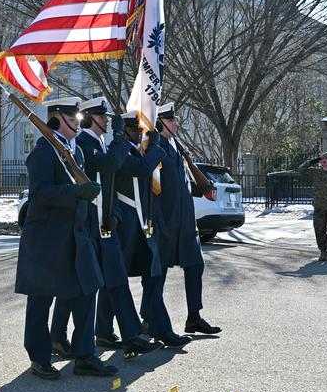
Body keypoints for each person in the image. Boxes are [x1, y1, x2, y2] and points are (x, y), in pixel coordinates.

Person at [15, 97, 118, 379]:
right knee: (41, 299)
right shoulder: (43, 152)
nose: (77, 125)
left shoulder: (75, 151)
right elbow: (40, 194)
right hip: (47, 238)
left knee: (86, 293)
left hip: (77, 236)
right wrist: (75, 193)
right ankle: (39, 356)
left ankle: (85, 355)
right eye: (72, 120)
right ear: (56, 118)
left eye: (78, 120)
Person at [76, 98, 163, 358]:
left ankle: (126, 335)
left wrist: (112, 212)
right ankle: (62, 337)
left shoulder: (102, 143)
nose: (106, 120)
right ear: (90, 118)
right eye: (102, 117)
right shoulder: (84, 144)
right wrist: (121, 138)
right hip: (92, 223)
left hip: (107, 222)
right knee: (79, 291)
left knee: (114, 281)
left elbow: (109, 184)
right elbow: (112, 165)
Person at [113, 111, 192, 347]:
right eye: (136, 130)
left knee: (153, 276)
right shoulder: (120, 151)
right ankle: (104, 331)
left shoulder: (137, 150)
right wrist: (155, 148)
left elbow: (147, 189)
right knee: (113, 284)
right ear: (125, 130)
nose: (141, 135)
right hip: (125, 226)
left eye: (142, 131)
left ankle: (162, 329)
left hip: (143, 225)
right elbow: (141, 169)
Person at [152, 102, 221, 335]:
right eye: (171, 120)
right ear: (160, 122)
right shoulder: (155, 147)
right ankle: (148, 316)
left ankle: (194, 317)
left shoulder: (174, 145)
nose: (176, 123)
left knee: (195, 265)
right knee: (158, 273)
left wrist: (200, 188)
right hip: (167, 221)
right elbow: (155, 188)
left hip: (186, 222)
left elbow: (179, 184)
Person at [298, 152, 327, 261]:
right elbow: (300, 170)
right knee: (319, 230)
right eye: (322, 160)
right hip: (319, 207)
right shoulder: (315, 172)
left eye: (326, 159)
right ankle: (323, 251)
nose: (324, 162)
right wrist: (310, 162)